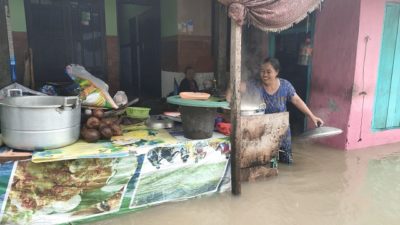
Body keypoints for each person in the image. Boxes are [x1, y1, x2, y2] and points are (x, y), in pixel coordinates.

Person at [227, 57, 324, 164]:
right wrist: (228, 99)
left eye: (269, 72)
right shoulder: (255, 85)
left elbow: (297, 101)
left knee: (286, 162)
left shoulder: (285, 86)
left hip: (282, 133)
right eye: (262, 71)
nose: (264, 75)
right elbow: (235, 87)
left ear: (276, 72)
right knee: (265, 163)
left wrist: (312, 116)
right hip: (262, 133)